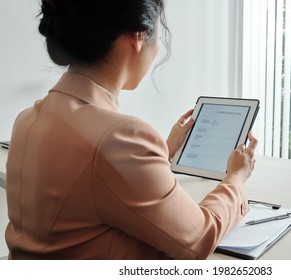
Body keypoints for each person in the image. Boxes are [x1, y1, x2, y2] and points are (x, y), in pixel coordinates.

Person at [5, 0, 258, 260]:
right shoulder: (119, 137)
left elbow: (88, 179)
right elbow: (198, 238)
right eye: (159, 34)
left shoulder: (27, 120)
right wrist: (236, 178)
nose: (158, 47)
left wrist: (163, 151)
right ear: (138, 37)